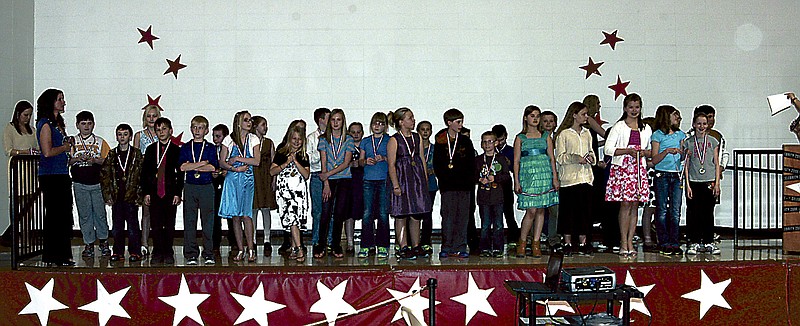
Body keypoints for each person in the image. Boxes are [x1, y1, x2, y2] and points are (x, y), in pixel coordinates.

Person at [604, 93, 651, 259]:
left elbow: (649, 150)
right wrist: (627, 151)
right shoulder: (619, 126)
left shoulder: (645, 128)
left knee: (634, 205)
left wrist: (645, 153)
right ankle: (623, 242)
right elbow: (608, 149)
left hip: (638, 169)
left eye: (637, 107)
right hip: (623, 169)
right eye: (631, 107)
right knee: (625, 205)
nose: (634, 110)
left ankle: (631, 241)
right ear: (625, 108)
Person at [513, 105, 559, 258]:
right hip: (528, 176)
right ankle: (522, 241)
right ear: (526, 118)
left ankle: (536, 242)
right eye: (532, 115)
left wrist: (555, 177)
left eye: (537, 116)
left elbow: (552, 158)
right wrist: (517, 181)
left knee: (541, 210)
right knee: (531, 210)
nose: (535, 118)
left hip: (544, 175)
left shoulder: (545, 136)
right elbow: (516, 161)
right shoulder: (520, 138)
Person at [36, 88, 75, 266]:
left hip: (61, 173)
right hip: (51, 176)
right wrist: (65, 148)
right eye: (60, 99)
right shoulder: (45, 124)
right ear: (51, 102)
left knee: (64, 215)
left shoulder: (57, 124)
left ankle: (63, 254)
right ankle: (53, 255)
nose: (63, 102)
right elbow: (47, 151)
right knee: (55, 216)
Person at [387, 108, 431, 259]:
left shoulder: (417, 137)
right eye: (410, 118)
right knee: (401, 214)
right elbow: (391, 164)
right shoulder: (394, 140)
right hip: (402, 179)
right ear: (401, 122)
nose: (413, 120)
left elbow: (422, 160)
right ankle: (403, 246)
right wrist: (395, 185)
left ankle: (416, 245)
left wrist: (424, 180)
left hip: (416, 179)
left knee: (416, 213)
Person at [433, 108, 476, 258]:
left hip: (464, 186)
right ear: (449, 122)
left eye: (462, 121)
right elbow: (437, 164)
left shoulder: (465, 140)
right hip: (448, 186)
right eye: (458, 122)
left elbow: (472, 163)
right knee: (448, 216)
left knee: (463, 217)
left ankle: (460, 246)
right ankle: (447, 246)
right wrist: (444, 181)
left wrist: (470, 181)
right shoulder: (440, 140)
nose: (461, 124)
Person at [219, 111, 261, 262]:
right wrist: (234, 168)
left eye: (250, 120)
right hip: (232, 178)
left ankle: (251, 249)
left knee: (246, 214)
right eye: (246, 120)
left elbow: (257, 161)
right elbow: (222, 162)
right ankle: (240, 249)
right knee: (235, 216)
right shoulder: (228, 139)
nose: (249, 123)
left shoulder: (253, 138)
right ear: (238, 123)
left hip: (247, 178)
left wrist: (237, 158)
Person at [554, 102, 596, 256]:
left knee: (584, 212)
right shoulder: (564, 134)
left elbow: (592, 151)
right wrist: (575, 158)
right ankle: (567, 242)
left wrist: (591, 158)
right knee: (568, 213)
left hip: (585, 178)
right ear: (574, 115)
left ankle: (584, 241)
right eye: (583, 114)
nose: (586, 117)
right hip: (569, 180)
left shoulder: (587, 133)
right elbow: (560, 157)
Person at [70, 111, 111, 258]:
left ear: (93, 124)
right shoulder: (72, 141)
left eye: (89, 123)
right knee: (85, 215)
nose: (86, 126)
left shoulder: (100, 142)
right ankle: (88, 242)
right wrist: (77, 158)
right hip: (80, 184)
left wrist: (95, 160)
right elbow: (66, 161)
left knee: (100, 214)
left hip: (97, 184)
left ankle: (104, 241)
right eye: (83, 123)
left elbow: (109, 161)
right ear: (77, 125)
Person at [142, 117, 183, 265]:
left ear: (171, 131)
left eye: (164, 129)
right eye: (158, 130)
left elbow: (180, 173)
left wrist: (178, 193)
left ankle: (168, 251)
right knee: (156, 223)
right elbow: (145, 173)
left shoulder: (176, 151)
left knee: (169, 223)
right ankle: (157, 251)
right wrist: (146, 192)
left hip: (170, 193)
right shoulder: (151, 149)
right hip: (154, 192)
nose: (161, 132)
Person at [314, 108, 355, 258]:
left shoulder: (348, 139)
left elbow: (346, 163)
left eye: (338, 119)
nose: (336, 122)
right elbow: (324, 162)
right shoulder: (323, 139)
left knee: (339, 213)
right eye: (333, 120)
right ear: (329, 122)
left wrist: (327, 175)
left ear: (343, 121)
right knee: (325, 213)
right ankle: (321, 244)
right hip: (328, 181)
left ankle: (336, 245)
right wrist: (325, 182)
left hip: (344, 179)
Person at [101, 123, 144, 262]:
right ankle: (117, 252)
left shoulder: (136, 154)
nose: (122, 137)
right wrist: (107, 195)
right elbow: (105, 175)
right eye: (120, 134)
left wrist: (140, 194)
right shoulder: (112, 154)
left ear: (130, 136)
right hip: (117, 196)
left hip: (131, 196)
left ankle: (135, 251)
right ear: (116, 137)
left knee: (133, 227)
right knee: (117, 227)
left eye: (125, 134)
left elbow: (141, 176)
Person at [179, 116, 219, 265]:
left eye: (200, 128)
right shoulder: (185, 147)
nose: (197, 131)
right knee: (190, 220)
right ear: (191, 129)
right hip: (190, 186)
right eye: (194, 127)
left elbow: (213, 167)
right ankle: (191, 253)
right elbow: (182, 167)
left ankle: (208, 253)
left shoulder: (210, 148)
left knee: (208, 221)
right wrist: (202, 164)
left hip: (207, 186)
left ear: (206, 130)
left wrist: (193, 166)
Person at [583, 94, 619, 253]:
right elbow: (606, 134)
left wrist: (604, 144)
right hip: (593, 165)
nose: (599, 106)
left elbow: (594, 142)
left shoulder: (586, 123)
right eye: (598, 103)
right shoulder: (589, 120)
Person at [683, 112, 721, 255]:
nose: (701, 126)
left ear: (708, 125)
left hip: (709, 181)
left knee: (708, 212)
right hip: (693, 181)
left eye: (704, 124)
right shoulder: (688, 142)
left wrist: (717, 183)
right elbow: (685, 165)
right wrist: (687, 185)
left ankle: (708, 241)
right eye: (699, 123)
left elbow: (716, 163)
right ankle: (694, 242)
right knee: (694, 213)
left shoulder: (713, 141)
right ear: (693, 124)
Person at [271, 125, 310, 261]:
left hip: (299, 193)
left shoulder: (303, 155)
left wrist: (296, 161)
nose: (296, 141)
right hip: (285, 193)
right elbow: (272, 171)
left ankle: (294, 248)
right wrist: (287, 162)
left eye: (299, 139)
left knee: (296, 221)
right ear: (289, 139)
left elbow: (306, 175)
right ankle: (299, 249)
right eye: (294, 138)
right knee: (291, 219)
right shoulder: (281, 153)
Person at [650, 106, 686, 255]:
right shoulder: (657, 135)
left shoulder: (680, 134)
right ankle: (663, 241)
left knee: (675, 210)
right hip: (662, 174)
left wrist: (684, 153)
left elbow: (683, 156)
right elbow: (654, 159)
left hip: (677, 175)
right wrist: (666, 152)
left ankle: (675, 241)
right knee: (662, 209)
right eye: (674, 115)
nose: (677, 118)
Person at [358, 113, 390, 259]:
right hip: (368, 180)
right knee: (367, 213)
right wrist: (366, 162)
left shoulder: (389, 140)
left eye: (381, 123)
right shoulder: (365, 141)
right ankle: (366, 245)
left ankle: (383, 245)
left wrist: (383, 158)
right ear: (371, 125)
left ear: (385, 126)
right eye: (375, 123)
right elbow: (360, 161)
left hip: (384, 180)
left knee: (383, 213)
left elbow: (394, 159)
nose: (377, 126)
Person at [475, 131, 511, 257]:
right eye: (484, 141)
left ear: (496, 143)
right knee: (485, 224)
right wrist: (479, 179)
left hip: (497, 197)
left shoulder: (501, 159)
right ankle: (484, 248)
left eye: (490, 141)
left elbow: (506, 176)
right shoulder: (478, 160)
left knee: (498, 224)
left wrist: (495, 178)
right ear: (481, 144)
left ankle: (498, 248)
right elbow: (472, 176)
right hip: (483, 197)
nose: (487, 144)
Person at [133, 103, 162, 256]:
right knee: (146, 211)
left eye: (154, 116)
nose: (151, 119)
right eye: (149, 116)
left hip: (161, 178)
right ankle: (144, 243)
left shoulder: (162, 134)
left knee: (161, 212)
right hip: (146, 177)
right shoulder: (139, 135)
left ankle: (160, 243)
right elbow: (135, 159)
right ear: (145, 118)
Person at [251, 115, 277, 256]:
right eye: (263, 124)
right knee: (253, 209)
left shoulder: (269, 142)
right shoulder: (249, 141)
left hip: (266, 178)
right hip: (253, 178)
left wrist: (274, 180)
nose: (265, 127)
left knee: (266, 209)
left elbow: (274, 162)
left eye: (266, 125)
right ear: (255, 126)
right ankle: (253, 239)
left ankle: (267, 239)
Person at [306, 108, 332, 251]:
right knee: (318, 210)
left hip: (332, 175)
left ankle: (330, 240)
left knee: (331, 210)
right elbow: (309, 159)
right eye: (329, 118)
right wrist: (322, 155)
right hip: (317, 175)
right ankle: (316, 240)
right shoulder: (311, 138)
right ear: (321, 120)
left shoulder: (334, 136)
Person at [492, 124, 519, 252]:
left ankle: (514, 238)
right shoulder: (490, 151)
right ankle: (495, 239)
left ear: (506, 137)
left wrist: (509, 164)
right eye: (496, 140)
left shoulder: (511, 150)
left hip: (506, 184)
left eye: (501, 140)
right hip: (494, 185)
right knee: (493, 214)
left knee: (509, 212)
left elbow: (516, 168)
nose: (499, 143)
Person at [539, 110, 561, 252]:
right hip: (540, 176)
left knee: (555, 209)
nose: (548, 124)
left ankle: (553, 238)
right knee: (537, 209)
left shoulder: (559, 137)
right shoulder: (537, 138)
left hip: (556, 175)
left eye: (551, 121)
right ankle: (535, 236)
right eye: (545, 121)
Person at [211, 123, 233, 254]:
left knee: (231, 214)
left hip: (228, 183)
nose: (215, 139)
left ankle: (234, 241)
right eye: (214, 136)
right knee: (215, 215)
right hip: (214, 184)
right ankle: (215, 243)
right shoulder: (210, 149)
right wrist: (213, 173)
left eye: (218, 136)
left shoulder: (231, 149)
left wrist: (227, 171)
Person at [417, 120, 436, 256]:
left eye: (427, 129)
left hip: (430, 185)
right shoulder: (413, 148)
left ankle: (426, 241)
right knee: (415, 214)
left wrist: (433, 170)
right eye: (422, 129)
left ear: (431, 132)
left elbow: (440, 165)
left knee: (427, 213)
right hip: (416, 185)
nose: (425, 131)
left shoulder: (435, 149)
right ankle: (414, 241)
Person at [346, 122, 365, 254]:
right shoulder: (346, 147)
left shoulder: (367, 146)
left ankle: (367, 242)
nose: (356, 135)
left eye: (358, 132)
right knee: (349, 213)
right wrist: (349, 164)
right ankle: (350, 243)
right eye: (353, 132)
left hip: (364, 182)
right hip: (349, 182)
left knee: (367, 212)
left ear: (362, 133)